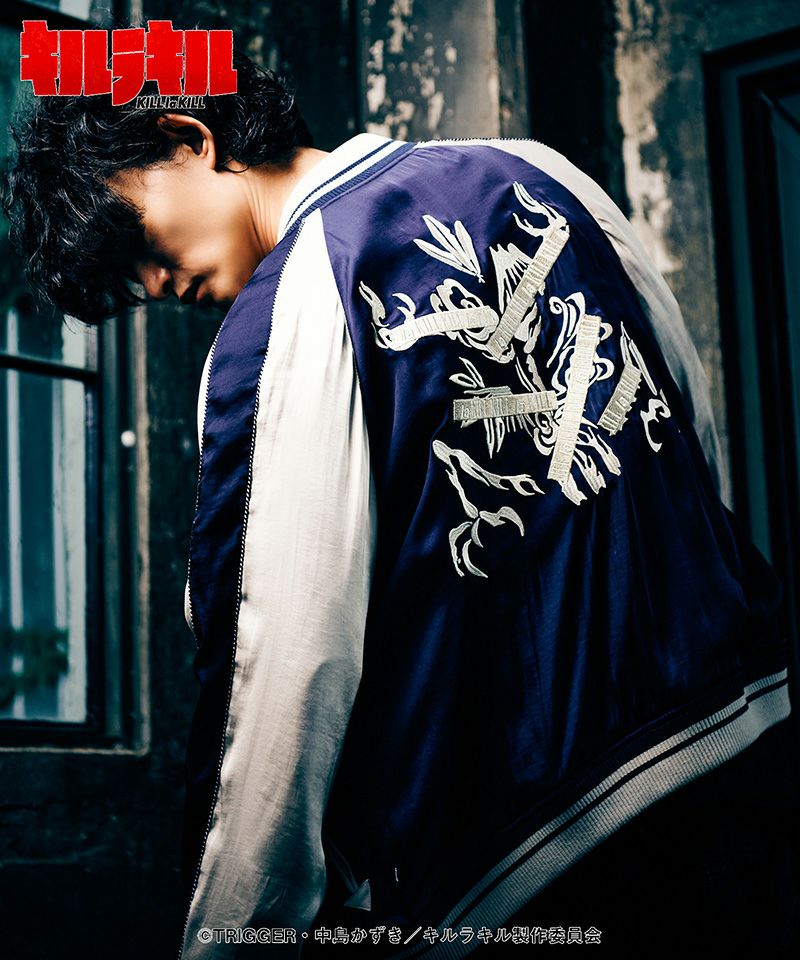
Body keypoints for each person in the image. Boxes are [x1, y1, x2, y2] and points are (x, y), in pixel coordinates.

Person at [5, 50, 798, 958]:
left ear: (188, 136)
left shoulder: (289, 310)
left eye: (135, 242)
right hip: (744, 743)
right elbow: (685, 429)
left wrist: (231, 936)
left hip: (540, 855)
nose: (151, 285)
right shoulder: (541, 172)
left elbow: (278, 669)